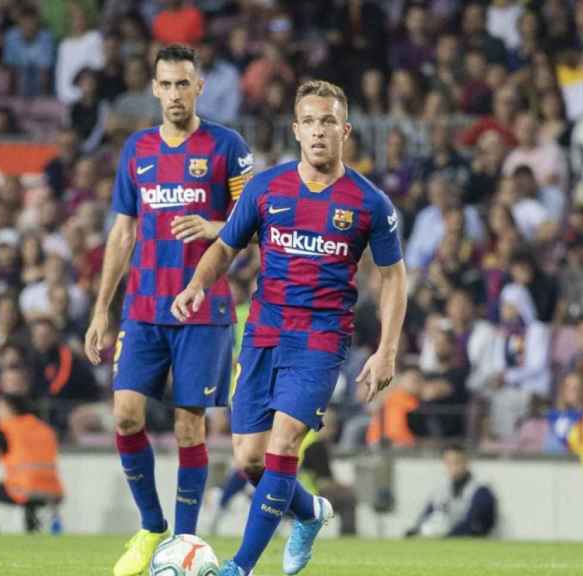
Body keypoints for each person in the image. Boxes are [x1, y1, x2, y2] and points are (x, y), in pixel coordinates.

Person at [172, 80, 408, 576]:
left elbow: (393, 277)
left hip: (320, 339)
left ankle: (240, 567)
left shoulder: (369, 203)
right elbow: (225, 246)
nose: (319, 131)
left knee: (284, 445)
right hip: (262, 332)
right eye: (310, 122)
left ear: (344, 130)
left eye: (328, 122)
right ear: (296, 130)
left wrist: (387, 350)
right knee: (250, 460)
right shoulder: (265, 188)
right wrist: (196, 284)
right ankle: (309, 513)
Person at [82, 44, 253, 576]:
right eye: (167, 85)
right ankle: (152, 526)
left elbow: (255, 223)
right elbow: (123, 230)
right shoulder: (136, 149)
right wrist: (101, 310)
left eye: (185, 84)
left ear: (199, 86)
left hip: (203, 309)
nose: (176, 94)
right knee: (126, 413)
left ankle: (183, 541)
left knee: (188, 428)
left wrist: (214, 229)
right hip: (144, 308)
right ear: (154, 88)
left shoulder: (228, 146)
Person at [0, 394, 63, 533]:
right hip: (52, 490)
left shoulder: (6, 428)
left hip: (22, 489)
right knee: (31, 503)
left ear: (10, 409)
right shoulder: (44, 427)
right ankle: (32, 532)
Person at [405, 444, 496, 538]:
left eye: (456, 462)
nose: (453, 467)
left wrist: (447, 536)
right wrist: (416, 530)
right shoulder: (441, 490)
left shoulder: (481, 490)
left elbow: (473, 523)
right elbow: (427, 515)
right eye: (448, 463)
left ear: (466, 463)